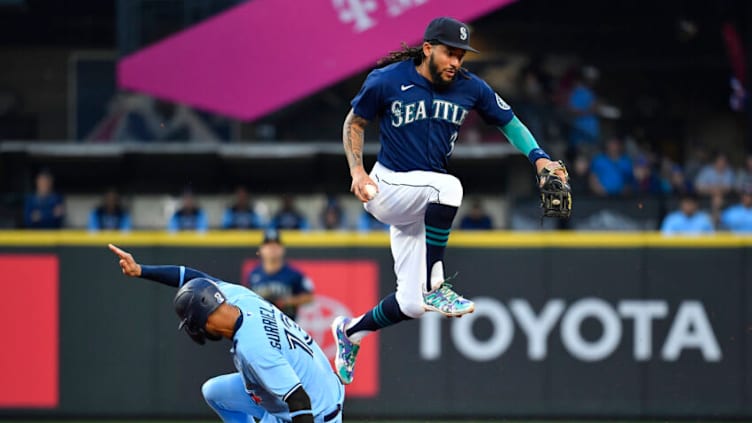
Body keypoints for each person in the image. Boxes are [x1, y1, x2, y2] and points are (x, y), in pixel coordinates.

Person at [333, 16, 567, 385]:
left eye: (461, 55)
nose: (456, 62)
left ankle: (350, 333)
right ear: (428, 48)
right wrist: (357, 172)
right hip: (387, 187)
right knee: (449, 188)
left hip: (419, 203)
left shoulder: (470, 87)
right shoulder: (387, 79)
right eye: (449, 53)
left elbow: (509, 122)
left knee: (410, 305)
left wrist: (538, 157)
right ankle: (438, 285)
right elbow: (354, 123)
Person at [107, 244, 343, 423]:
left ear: (206, 319)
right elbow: (192, 278)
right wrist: (141, 271)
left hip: (318, 411)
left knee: (285, 396)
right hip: (317, 380)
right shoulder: (239, 296)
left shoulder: (253, 347)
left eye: (196, 324)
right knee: (214, 392)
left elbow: (299, 401)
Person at [247, 230, 314, 321]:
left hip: (287, 324)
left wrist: (288, 301)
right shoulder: (253, 274)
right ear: (261, 249)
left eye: (276, 245)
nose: (272, 248)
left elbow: (309, 297)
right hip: (261, 323)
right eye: (268, 245)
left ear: (282, 249)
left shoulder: (294, 274)